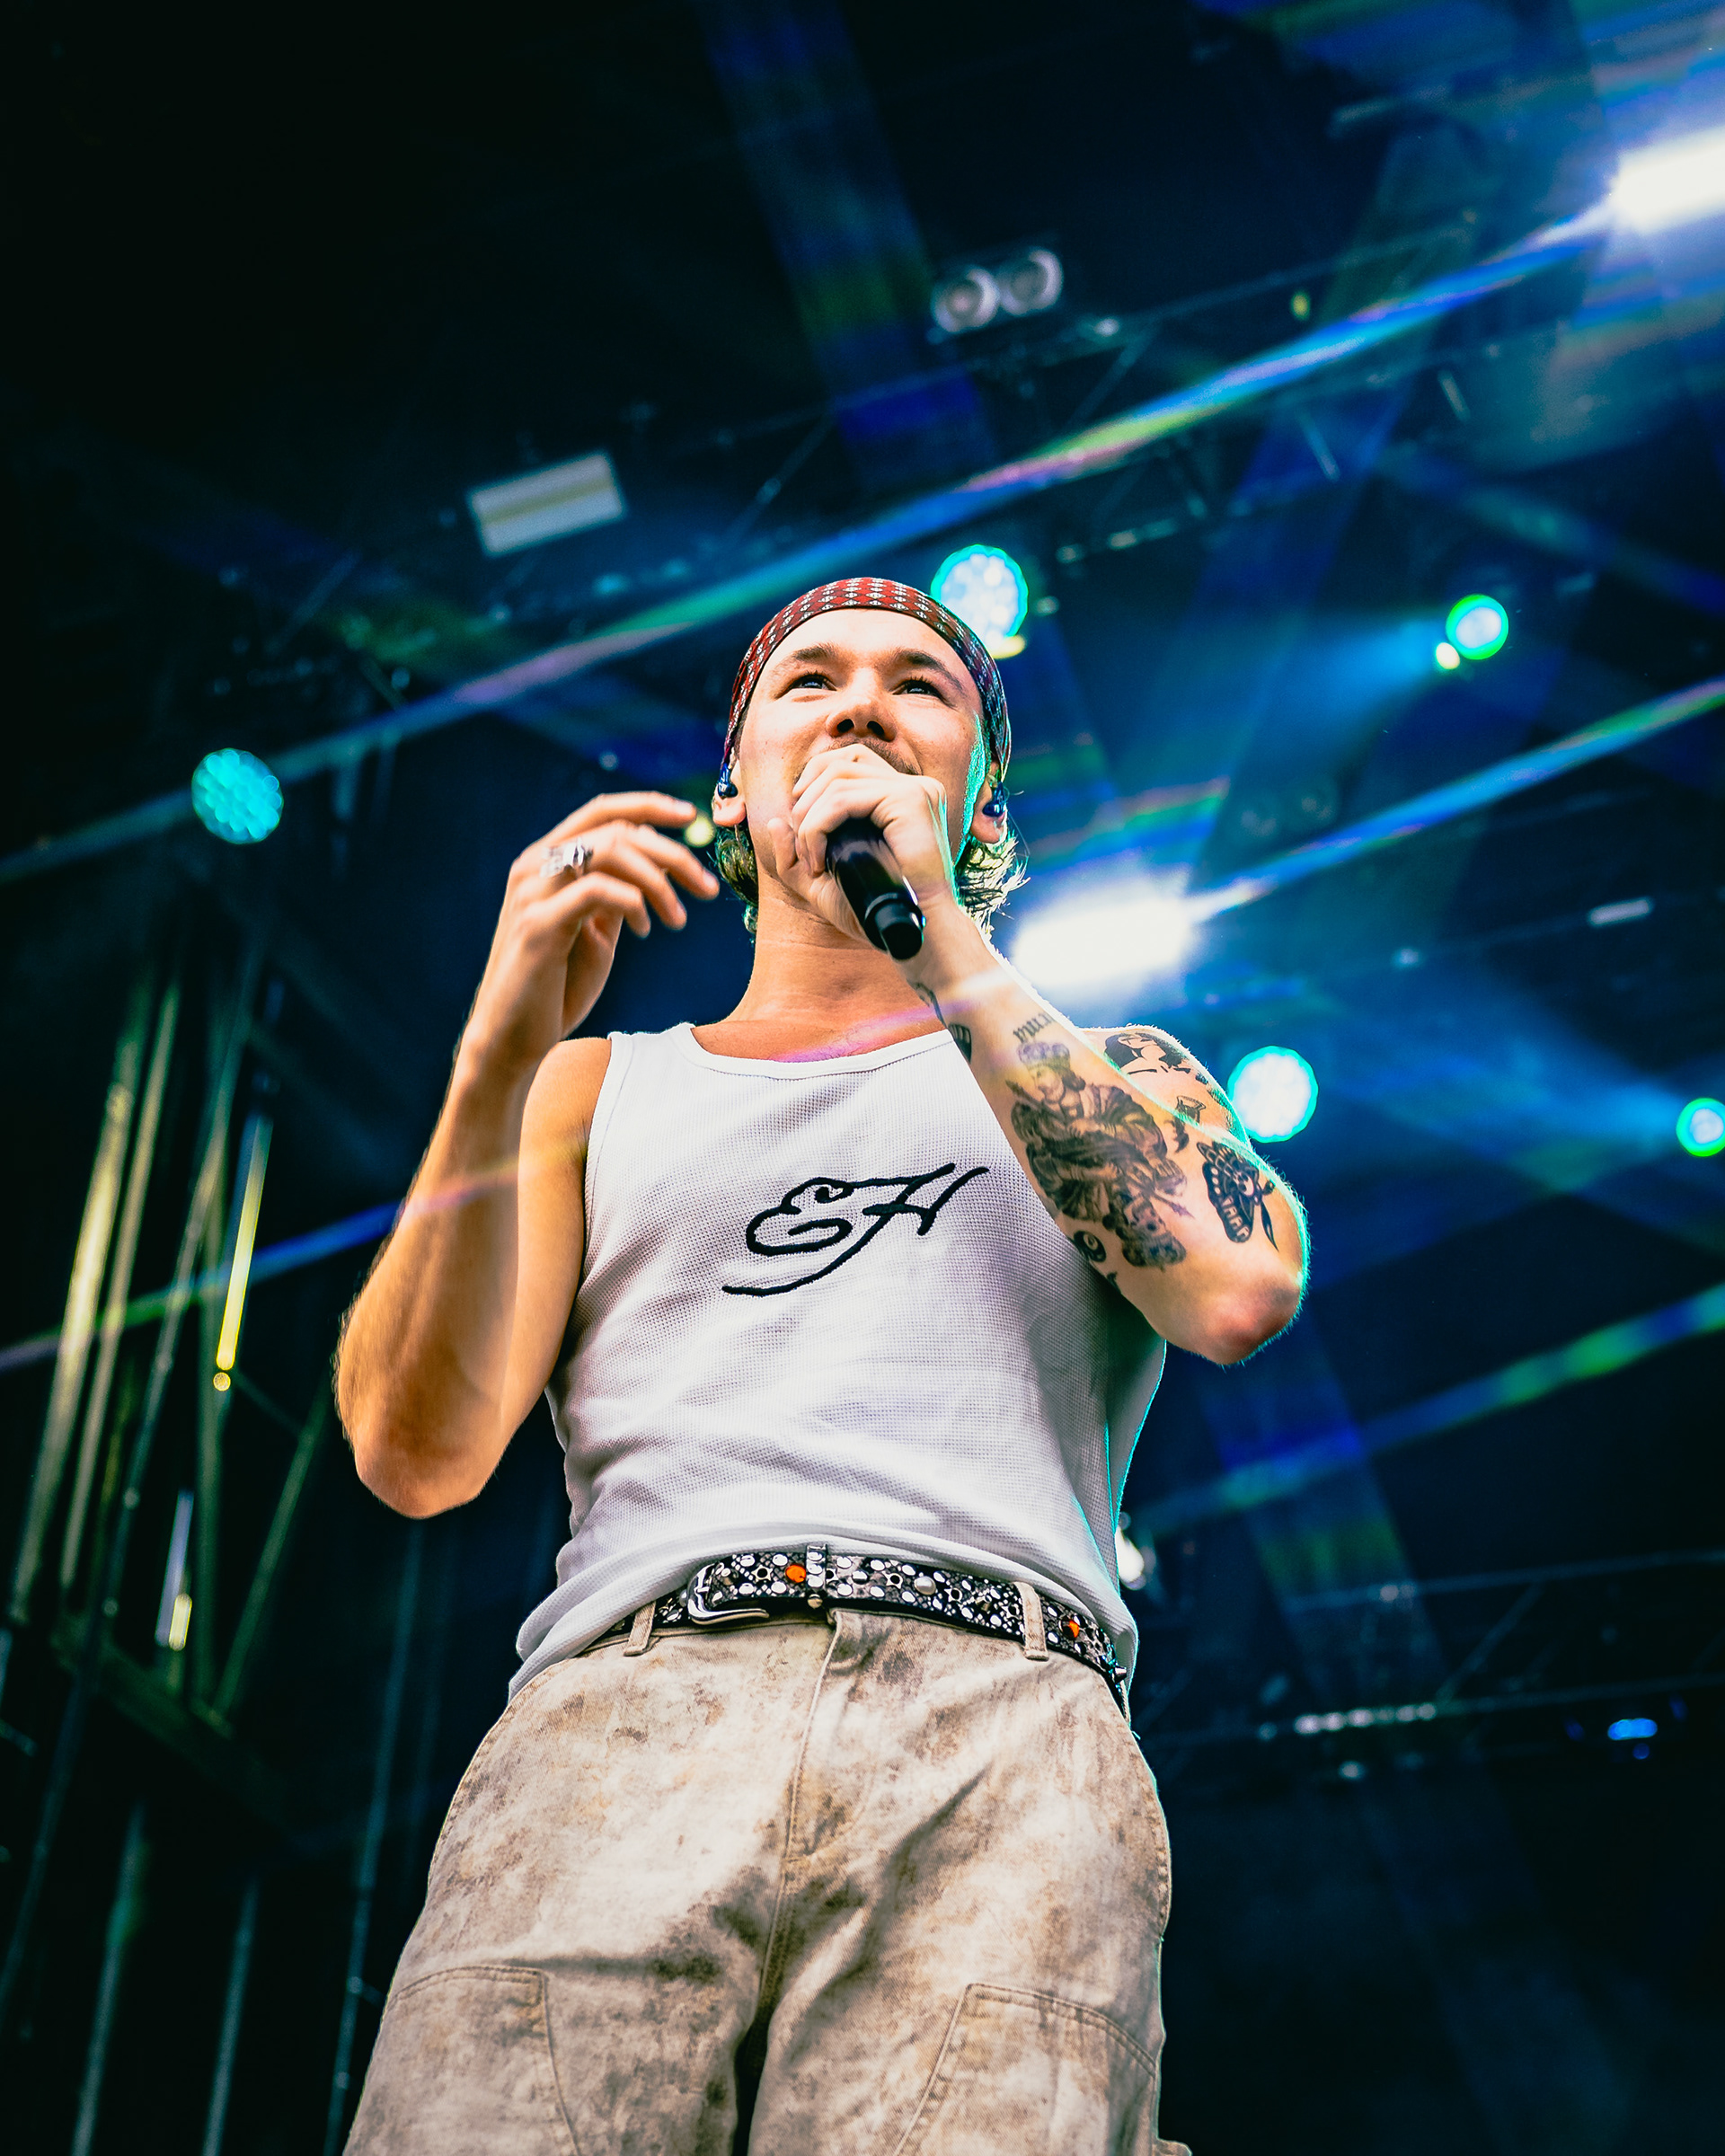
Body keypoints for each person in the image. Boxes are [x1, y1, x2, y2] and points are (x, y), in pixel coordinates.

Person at [336, 576, 1305, 2155]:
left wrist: (944, 938)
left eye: (923, 686)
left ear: (983, 800)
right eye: (810, 681)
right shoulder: (596, 1089)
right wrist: (498, 1051)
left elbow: (1237, 1288)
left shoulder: (1110, 1073)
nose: (861, 704)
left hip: (998, 1721)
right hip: (623, 1723)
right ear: (734, 784)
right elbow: (413, 1451)